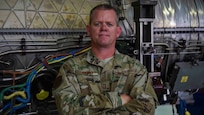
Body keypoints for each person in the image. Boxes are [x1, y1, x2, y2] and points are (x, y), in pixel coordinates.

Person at [52, 4, 158, 115]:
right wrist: (118, 100)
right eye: (97, 24)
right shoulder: (70, 68)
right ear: (88, 30)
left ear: (118, 31)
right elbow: (66, 108)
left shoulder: (136, 69)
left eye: (109, 24)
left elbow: (147, 107)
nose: (103, 28)